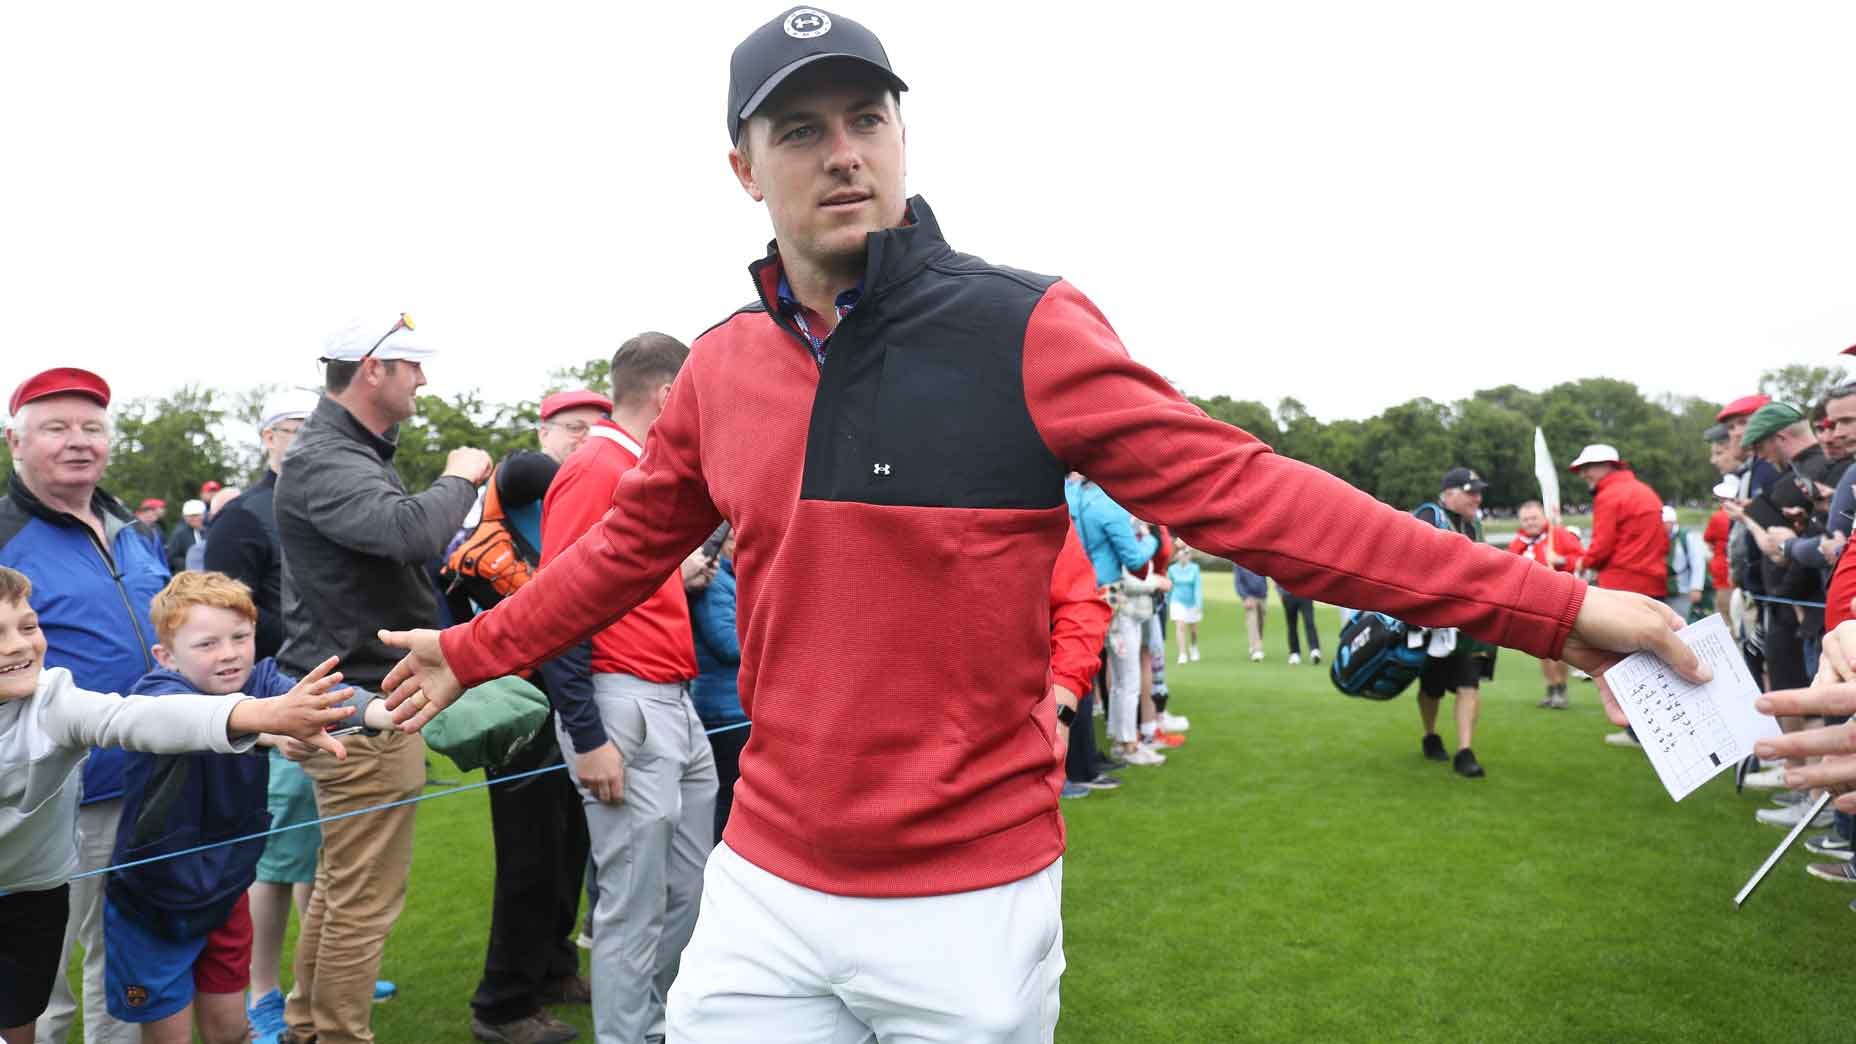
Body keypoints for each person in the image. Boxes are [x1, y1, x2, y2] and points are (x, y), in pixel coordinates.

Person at [373, 10, 1706, 1038]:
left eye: (866, 117)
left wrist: (1552, 604)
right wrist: (473, 650)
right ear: (744, 168)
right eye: (799, 131)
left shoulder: (1028, 328)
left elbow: (1259, 500)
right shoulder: (722, 368)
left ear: (902, 134)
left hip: (969, 901)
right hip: (767, 887)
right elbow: (617, 554)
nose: (841, 151)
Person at [0, 564, 354, 1044]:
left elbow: (138, 718)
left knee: (17, 1022)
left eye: (28, 626)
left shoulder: (54, 700)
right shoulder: (162, 683)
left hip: (37, 895)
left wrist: (277, 717)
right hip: (151, 902)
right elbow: (163, 705)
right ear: (167, 654)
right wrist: (266, 721)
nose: (19, 644)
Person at [273, 314, 493, 1044]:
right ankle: (338, 1034)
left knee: (340, 892)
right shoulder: (327, 456)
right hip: (363, 705)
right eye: (412, 367)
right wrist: (460, 477)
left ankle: (307, 1027)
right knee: (363, 903)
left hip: (356, 697)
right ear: (374, 368)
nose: (423, 380)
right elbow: (411, 533)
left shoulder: (342, 450)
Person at [104, 573, 389, 1044]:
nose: (230, 653)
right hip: (153, 905)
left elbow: (325, 700)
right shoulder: (154, 696)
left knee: (232, 1030)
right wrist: (274, 727)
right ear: (166, 657)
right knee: (168, 1037)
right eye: (207, 643)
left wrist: (387, 713)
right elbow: (197, 720)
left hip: (227, 892)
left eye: (240, 637)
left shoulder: (261, 680)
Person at [538, 332, 717, 1044]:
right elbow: (557, 605)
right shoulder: (597, 465)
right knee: (633, 905)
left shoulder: (634, 463)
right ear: (671, 394)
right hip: (622, 700)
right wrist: (587, 735)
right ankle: (628, 1035)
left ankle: (658, 1025)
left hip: (668, 698)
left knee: (687, 890)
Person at [3, 366, 169, 1044]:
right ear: (15, 440)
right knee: (34, 985)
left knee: (123, 960)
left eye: (92, 427)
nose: (79, 442)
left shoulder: (130, 526)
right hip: (46, 797)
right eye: (56, 428)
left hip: (148, 777)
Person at [1413, 468, 1496, 778]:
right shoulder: (1427, 516)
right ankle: (1430, 734)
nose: (1478, 497)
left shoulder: (1475, 524)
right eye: (1470, 491)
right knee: (1431, 688)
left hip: (1472, 622)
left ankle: (1465, 750)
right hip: (1437, 622)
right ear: (1449, 493)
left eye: (1478, 491)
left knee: (1468, 684)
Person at [1075, 479, 1164, 766]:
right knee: (1127, 677)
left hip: (1085, 589)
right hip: (1115, 597)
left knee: (1112, 677)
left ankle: (1119, 737)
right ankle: (1127, 744)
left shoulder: (1077, 498)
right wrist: (1149, 537)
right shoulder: (1109, 505)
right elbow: (1135, 561)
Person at [1508, 499, 1583, 708]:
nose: (1530, 523)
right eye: (1526, 519)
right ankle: (1551, 687)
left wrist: (1561, 561)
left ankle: (1561, 688)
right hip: (1531, 603)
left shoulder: (1558, 535)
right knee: (1541, 651)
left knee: (1558, 650)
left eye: (1534, 518)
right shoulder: (1518, 542)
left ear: (1543, 517)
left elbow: (1581, 559)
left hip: (1559, 600)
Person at [1661, 505, 1709, 622]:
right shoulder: (1658, 536)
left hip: (1683, 589)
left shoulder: (1686, 537)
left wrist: (1696, 587)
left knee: (1680, 622)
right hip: (1663, 589)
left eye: (1665, 522)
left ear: (1673, 522)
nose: (1662, 525)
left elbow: (1698, 562)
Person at [1167, 543, 1202, 664]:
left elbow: (1197, 587)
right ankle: (1182, 653)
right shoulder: (1172, 569)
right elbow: (1169, 587)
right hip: (1177, 601)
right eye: (1182, 554)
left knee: (1193, 630)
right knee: (1180, 626)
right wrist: (1167, 602)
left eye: (1186, 554)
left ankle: (1193, 647)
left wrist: (1198, 604)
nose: (1184, 557)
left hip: (1191, 601)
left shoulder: (1194, 568)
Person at [1277, 580, 1319, 666]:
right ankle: (1294, 653)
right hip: (1288, 594)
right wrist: (1281, 593)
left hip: (1305, 593)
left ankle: (1315, 650)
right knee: (1292, 625)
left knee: (1309, 621)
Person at [1233, 563, 1269, 662]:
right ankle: (1256, 650)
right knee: (1252, 623)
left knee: (1261, 623)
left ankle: (1255, 644)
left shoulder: (1259, 558)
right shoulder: (1239, 563)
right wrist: (1245, 597)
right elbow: (1238, 582)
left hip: (1262, 595)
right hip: (1249, 597)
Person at [166, 500, 206, 574]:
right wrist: (191, 565)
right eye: (190, 516)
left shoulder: (209, 531)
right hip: (188, 575)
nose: (194, 518)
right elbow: (172, 557)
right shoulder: (179, 534)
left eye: (197, 515)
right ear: (184, 517)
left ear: (203, 515)